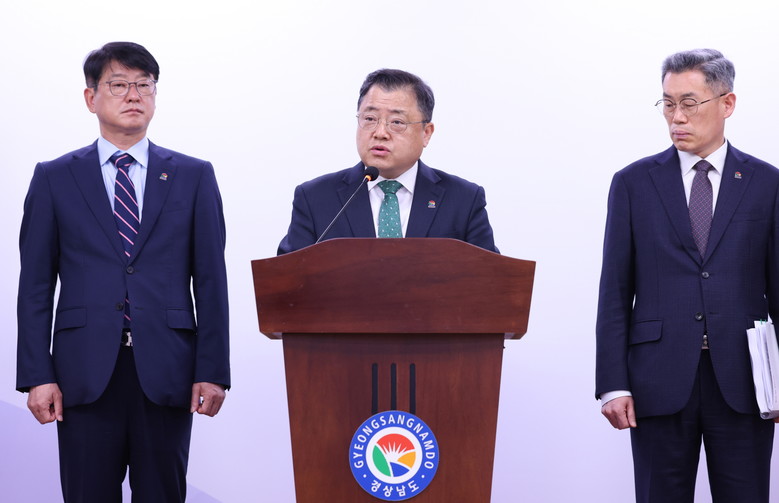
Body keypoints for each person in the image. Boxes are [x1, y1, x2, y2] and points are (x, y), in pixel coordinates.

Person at [16, 41, 230, 502]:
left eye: (144, 85)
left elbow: (212, 281)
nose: (134, 95)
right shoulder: (54, 177)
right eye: (118, 85)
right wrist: (36, 375)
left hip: (168, 371)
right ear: (90, 97)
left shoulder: (194, 176)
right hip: (82, 373)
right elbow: (35, 286)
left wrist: (213, 370)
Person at [596, 48, 779, 502]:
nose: (677, 117)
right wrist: (612, 384)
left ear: (727, 103)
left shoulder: (767, 183)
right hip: (657, 379)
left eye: (690, 103)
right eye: (668, 103)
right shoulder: (633, 183)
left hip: (745, 381)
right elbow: (615, 291)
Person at [277, 68, 498, 254]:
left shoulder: (463, 200)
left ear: (426, 133)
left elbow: (492, 282)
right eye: (370, 119)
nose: (380, 133)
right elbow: (285, 281)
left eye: (397, 122)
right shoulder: (315, 198)